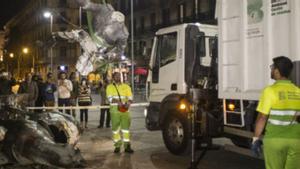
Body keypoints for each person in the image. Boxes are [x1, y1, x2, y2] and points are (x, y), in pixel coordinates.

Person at [252, 56, 300, 169]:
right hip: (296, 141)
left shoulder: (270, 91)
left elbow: (262, 117)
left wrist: (255, 139)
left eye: (272, 67)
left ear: (277, 71)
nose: (271, 69)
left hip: (274, 141)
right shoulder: (298, 91)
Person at [106, 72, 134, 153]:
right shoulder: (109, 87)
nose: (118, 77)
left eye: (119, 76)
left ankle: (127, 146)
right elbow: (110, 98)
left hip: (125, 111)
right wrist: (118, 101)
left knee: (126, 129)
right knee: (115, 129)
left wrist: (128, 103)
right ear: (113, 78)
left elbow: (130, 97)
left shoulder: (126, 86)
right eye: (116, 76)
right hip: (114, 111)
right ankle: (117, 146)